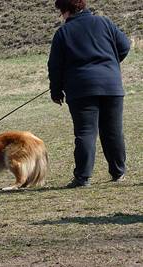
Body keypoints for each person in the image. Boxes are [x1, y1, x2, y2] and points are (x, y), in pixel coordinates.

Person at [48, 0, 130, 188]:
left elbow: (55, 66)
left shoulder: (63, 33)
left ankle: (83, 177)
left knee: (86, 132)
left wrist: (56, 90)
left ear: (66, 11)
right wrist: (110, 64)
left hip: (81, 89)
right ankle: (118, 172)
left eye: (61, 12)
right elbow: (124, 46)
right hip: (111, 85)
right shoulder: (104, 22)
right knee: (113, 131)